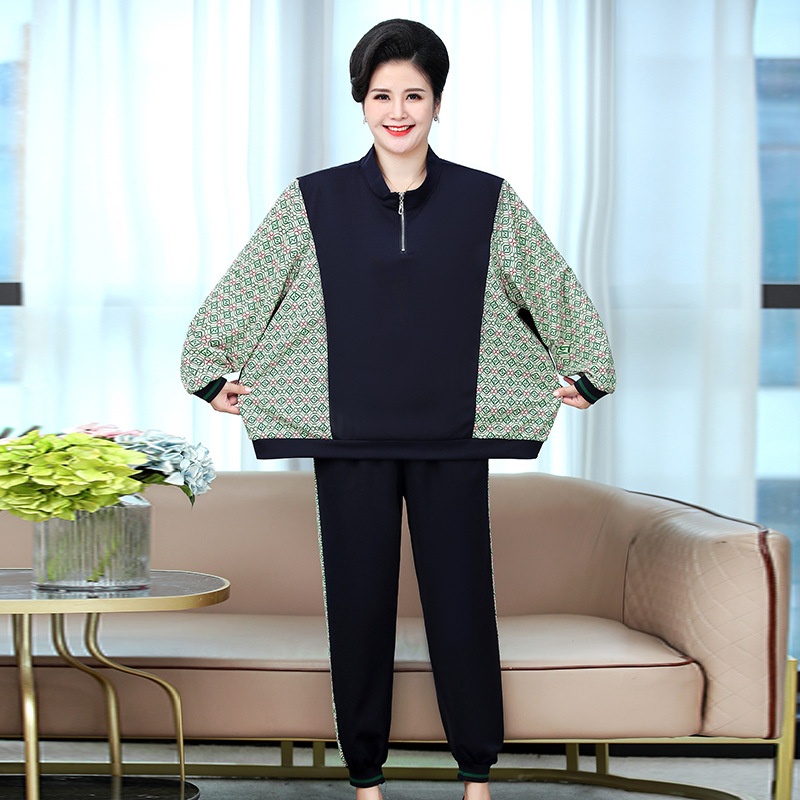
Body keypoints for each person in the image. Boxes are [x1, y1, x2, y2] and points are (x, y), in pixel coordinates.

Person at [181, 18, 615, 800]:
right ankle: (365, 779)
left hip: (454, 436)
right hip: (347, 438)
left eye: (414, 94)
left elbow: (549, 285)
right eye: (382, 95)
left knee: (462, 607)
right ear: (362, 103)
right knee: (357, 611)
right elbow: (249, 285)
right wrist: (208, 371)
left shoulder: (488, 200)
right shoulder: (312, 200)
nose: (398, 111)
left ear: (438, 102)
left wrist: (588, 368)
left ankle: (476, 774)